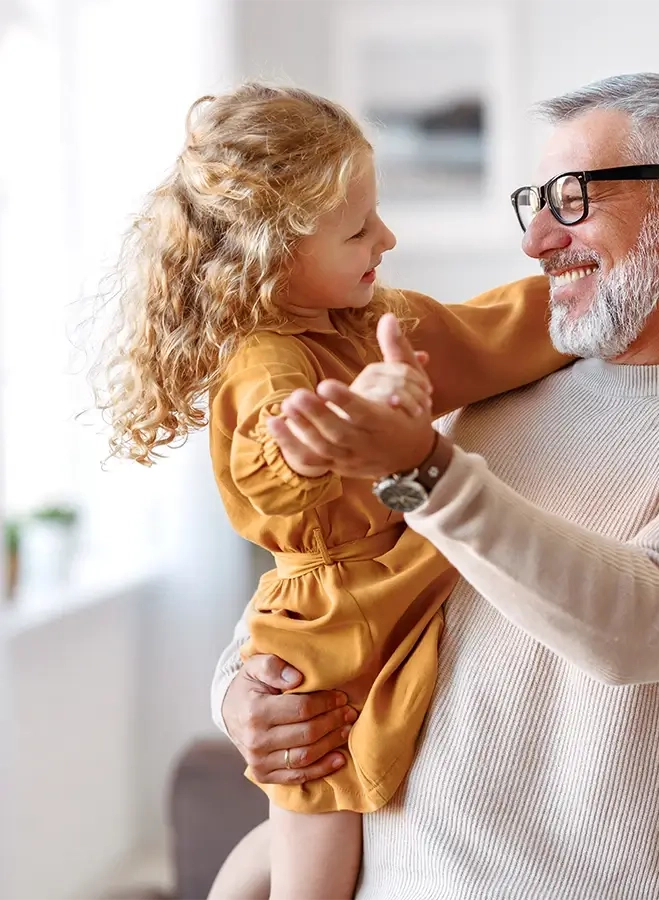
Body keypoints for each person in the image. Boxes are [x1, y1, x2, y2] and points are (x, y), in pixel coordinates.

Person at [210, 73, 659, 899]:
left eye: (575, 199)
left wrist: (422, 468)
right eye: (534, 202)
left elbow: (639, 625)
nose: (538, 240)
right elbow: (340, 570)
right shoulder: (496, 388)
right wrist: (241, 693)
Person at [90, 83, 578, 900]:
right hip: (328, 624)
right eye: (359, 229)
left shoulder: (370, 321)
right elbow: (280, 470)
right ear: (271, 253)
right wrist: (359, 420)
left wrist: (583, 303)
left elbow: (485, 333)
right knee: (316, 834)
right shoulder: (268, 362)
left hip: (392, 577)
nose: (386, 237)